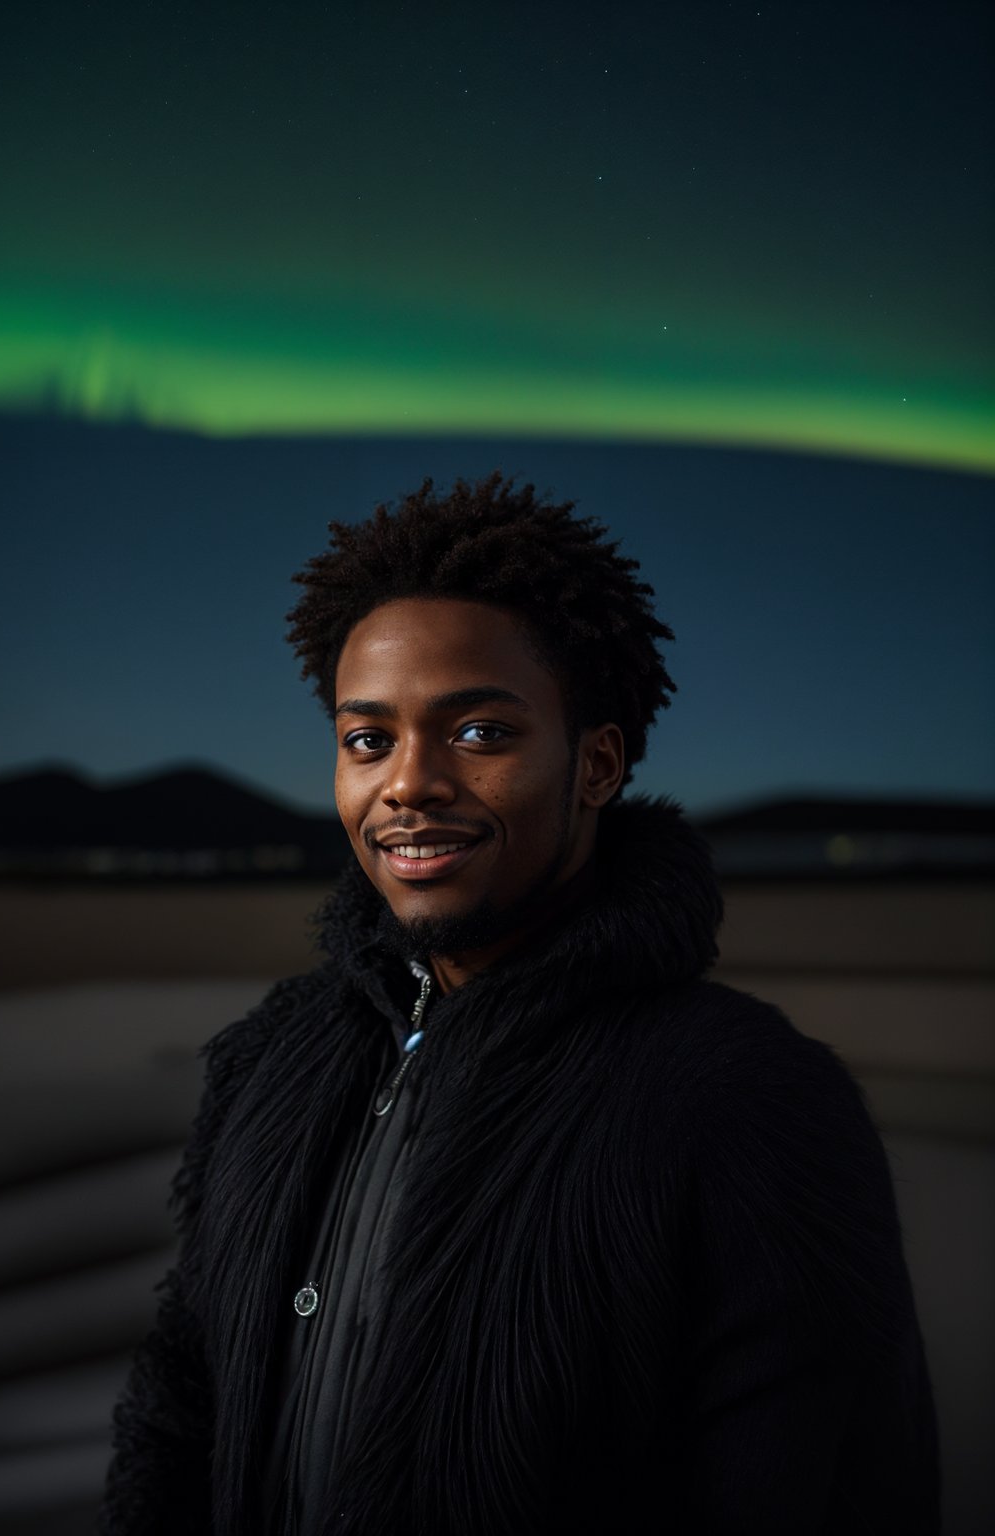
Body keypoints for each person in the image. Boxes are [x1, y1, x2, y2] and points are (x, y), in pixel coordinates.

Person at [102, 474, 939, 1534]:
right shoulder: (274, 1053)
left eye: (480, 734)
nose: (408, 784)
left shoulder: (750, 1098)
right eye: (368, 740)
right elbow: (183, 1397)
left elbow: (829, 1493)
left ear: (595, 764)